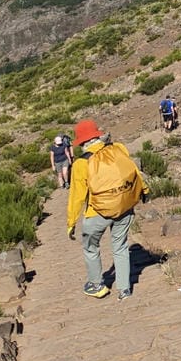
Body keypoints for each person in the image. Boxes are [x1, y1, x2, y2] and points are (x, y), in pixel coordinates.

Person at [67, 119, 148, 300]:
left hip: (98, 213)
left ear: (82, 142)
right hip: (124, 206)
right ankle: (124, 289)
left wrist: (71, 222)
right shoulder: (118, 148)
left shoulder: (81, 164)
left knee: (91, 247)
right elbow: (134, 171)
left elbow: (77, 196)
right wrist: (144, 190)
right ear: (98, 135)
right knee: (120, 247)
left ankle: (97, 285)